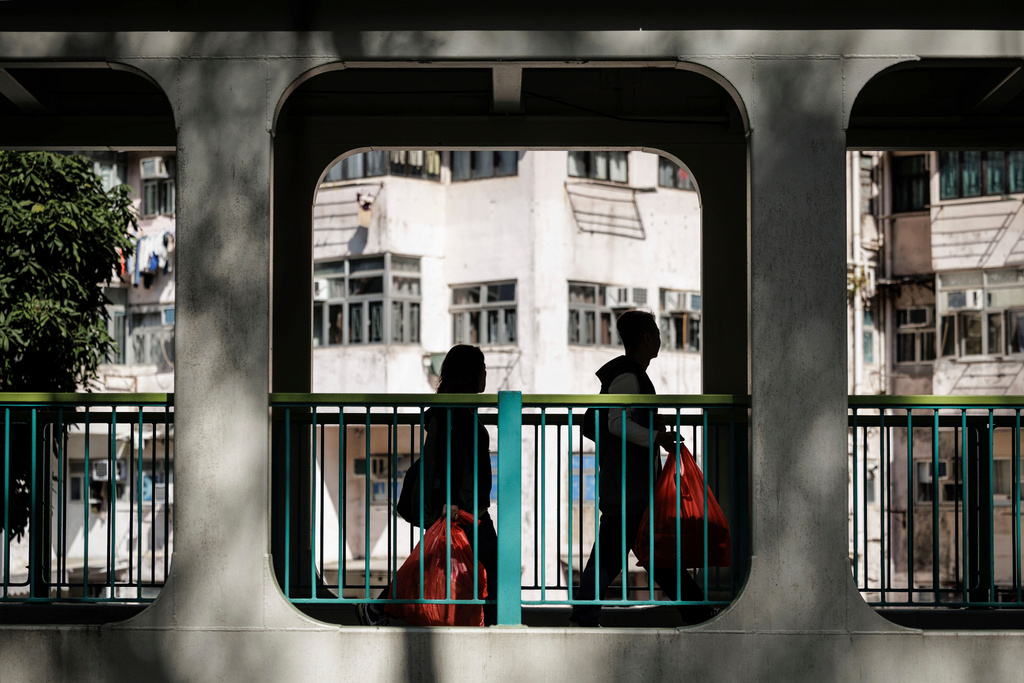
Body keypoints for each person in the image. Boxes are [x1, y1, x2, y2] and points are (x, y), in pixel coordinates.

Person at [569, 309, 712, 627]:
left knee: (647, 553)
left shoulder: (631, 375)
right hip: (626, 485)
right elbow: (617, 423)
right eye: (658, 332)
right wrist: (657, 436)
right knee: (629, 554)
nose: (661, 338)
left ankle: (695, 611)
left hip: (629, 484)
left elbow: (622, 420)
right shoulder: (628, 376)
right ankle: (584, 616)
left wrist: (654, 428)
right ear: (647, 338)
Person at [358, 344, 498, 626]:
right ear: (472, 374)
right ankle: (495, 627)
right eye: (482, 369)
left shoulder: (461, 410)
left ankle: (379, 606)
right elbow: (444, 459)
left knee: (441, 562)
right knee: (488, 566)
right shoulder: (452, 412)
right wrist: (450, 501)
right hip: (461, 508)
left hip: (468, 507)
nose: (486, 375)